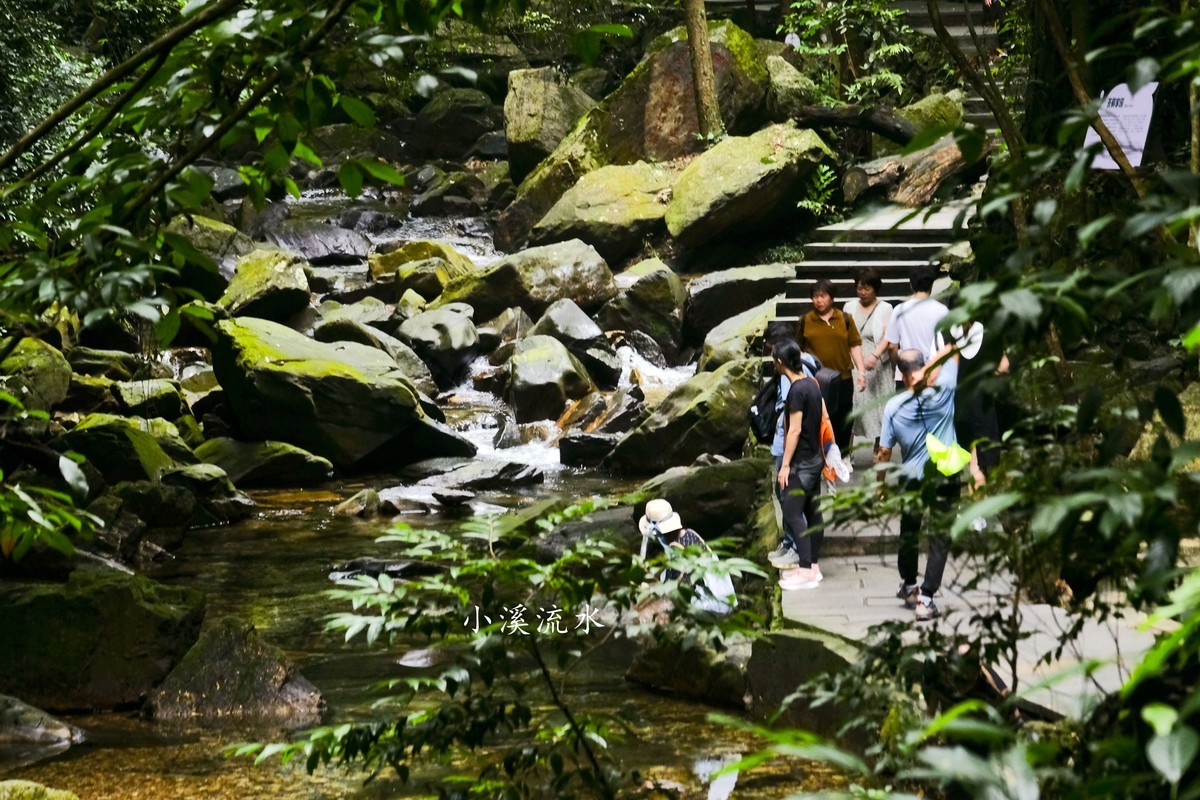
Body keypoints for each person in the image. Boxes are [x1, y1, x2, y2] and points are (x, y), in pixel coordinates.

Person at [876, 344, 961, 621]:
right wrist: (931, 366)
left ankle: (910, 585)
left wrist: (880, 484)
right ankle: (926, 599)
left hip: (912, 476)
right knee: (940, 536)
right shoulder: (944, 389)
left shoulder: (893, 406)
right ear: (924, 367)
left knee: (910, 530)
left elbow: (884, 451)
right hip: (944, 474)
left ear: (901, 375)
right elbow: (954, 349)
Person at [772, 340, 826, 591]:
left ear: (779, 362)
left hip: (801, 462)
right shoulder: (812, 383)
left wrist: (785, 465)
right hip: (815, 458)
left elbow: (793, 431)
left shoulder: (796, 391)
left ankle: (805, 571)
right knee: (813, 511)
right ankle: (813, 566)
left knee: (793, 512)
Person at [799, 279, 866, 452]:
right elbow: (799, 350)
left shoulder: (844, 318)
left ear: (832, 297)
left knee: (844, 419)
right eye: (815, 296)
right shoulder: (806, 320)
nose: (819, 301)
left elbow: (854, 345)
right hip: (817, 381)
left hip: (843, 378)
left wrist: (861, 372)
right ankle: (821, 455)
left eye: (823, 296)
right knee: (818, 419)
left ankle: (843, 455)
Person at [843, 267, 894, 452]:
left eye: (867, 288)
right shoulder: (849, 307)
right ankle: (846, 453)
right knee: (852, 406)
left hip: (877, 363)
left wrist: (875, 356)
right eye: (859, 287)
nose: (862, 292)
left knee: (880, 407)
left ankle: (879, 450)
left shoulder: (885, 308)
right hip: (854, 363)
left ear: (875, 288)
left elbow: (889, 336)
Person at [880, 264, 948, 388]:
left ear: (911, 285)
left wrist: (895, 368)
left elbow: (892, 347)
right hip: (934, 373)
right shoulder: (942, 310)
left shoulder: (900, 310)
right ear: (931, 285)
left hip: (907, 372)